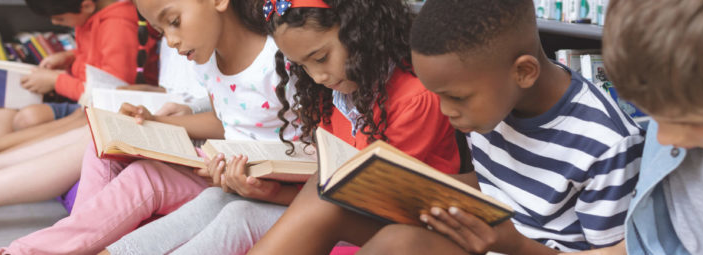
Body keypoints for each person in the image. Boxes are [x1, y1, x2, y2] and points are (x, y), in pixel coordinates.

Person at [249, 0, 644, 254]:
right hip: (489, 240)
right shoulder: (490, 98)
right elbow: (491, 188)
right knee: (349, 215)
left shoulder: (605, 141)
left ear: (523, 71)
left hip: (521, 248)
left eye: (454, 97)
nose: (443, 110)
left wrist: (516, 245)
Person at [103, 0, 460, 254]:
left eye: (320, 58)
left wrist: (281, 195)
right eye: (302, 66)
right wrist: (267, 192)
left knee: (240, 215)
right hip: (337, 209)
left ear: (361, 30)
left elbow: (368, 204)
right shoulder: (334, 94)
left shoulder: (413, 99)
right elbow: (329, 189)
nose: (317, 76)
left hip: (395, 224)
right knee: (223, 198)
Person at [0, 0, 301, 253]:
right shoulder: (208, 62)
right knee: (112, 153)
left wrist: (266, 186)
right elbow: (227, 120)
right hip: (220, 171)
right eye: (160, 30)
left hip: (260, 183)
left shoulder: (283, 59)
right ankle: (32, 250)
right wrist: (156, 122)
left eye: (174, 22)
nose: (171, 40)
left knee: (169, 186)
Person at [587, 0, 703, 254]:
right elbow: (654, 239)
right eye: (654, 116)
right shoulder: (678, 92)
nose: (665, 137)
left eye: (692, 122)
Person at [0, 39, 207, 223]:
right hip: (171, 114)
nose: (172, 39)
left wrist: (168, 113)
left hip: (190, 137)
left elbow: (214, 115)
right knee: (92, 123)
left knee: (96, 127)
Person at [0, 0, 157, 138]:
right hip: (81, 93)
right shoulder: (90, 16)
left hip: (99, 102)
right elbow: (93, 52)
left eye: (60, 18)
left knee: (28, 118)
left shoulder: (118, 26)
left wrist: (55, 81)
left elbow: (112, 88)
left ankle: (0, 153)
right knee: (3, 99)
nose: (55, 22)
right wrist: (68, 56)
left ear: (86, 5)